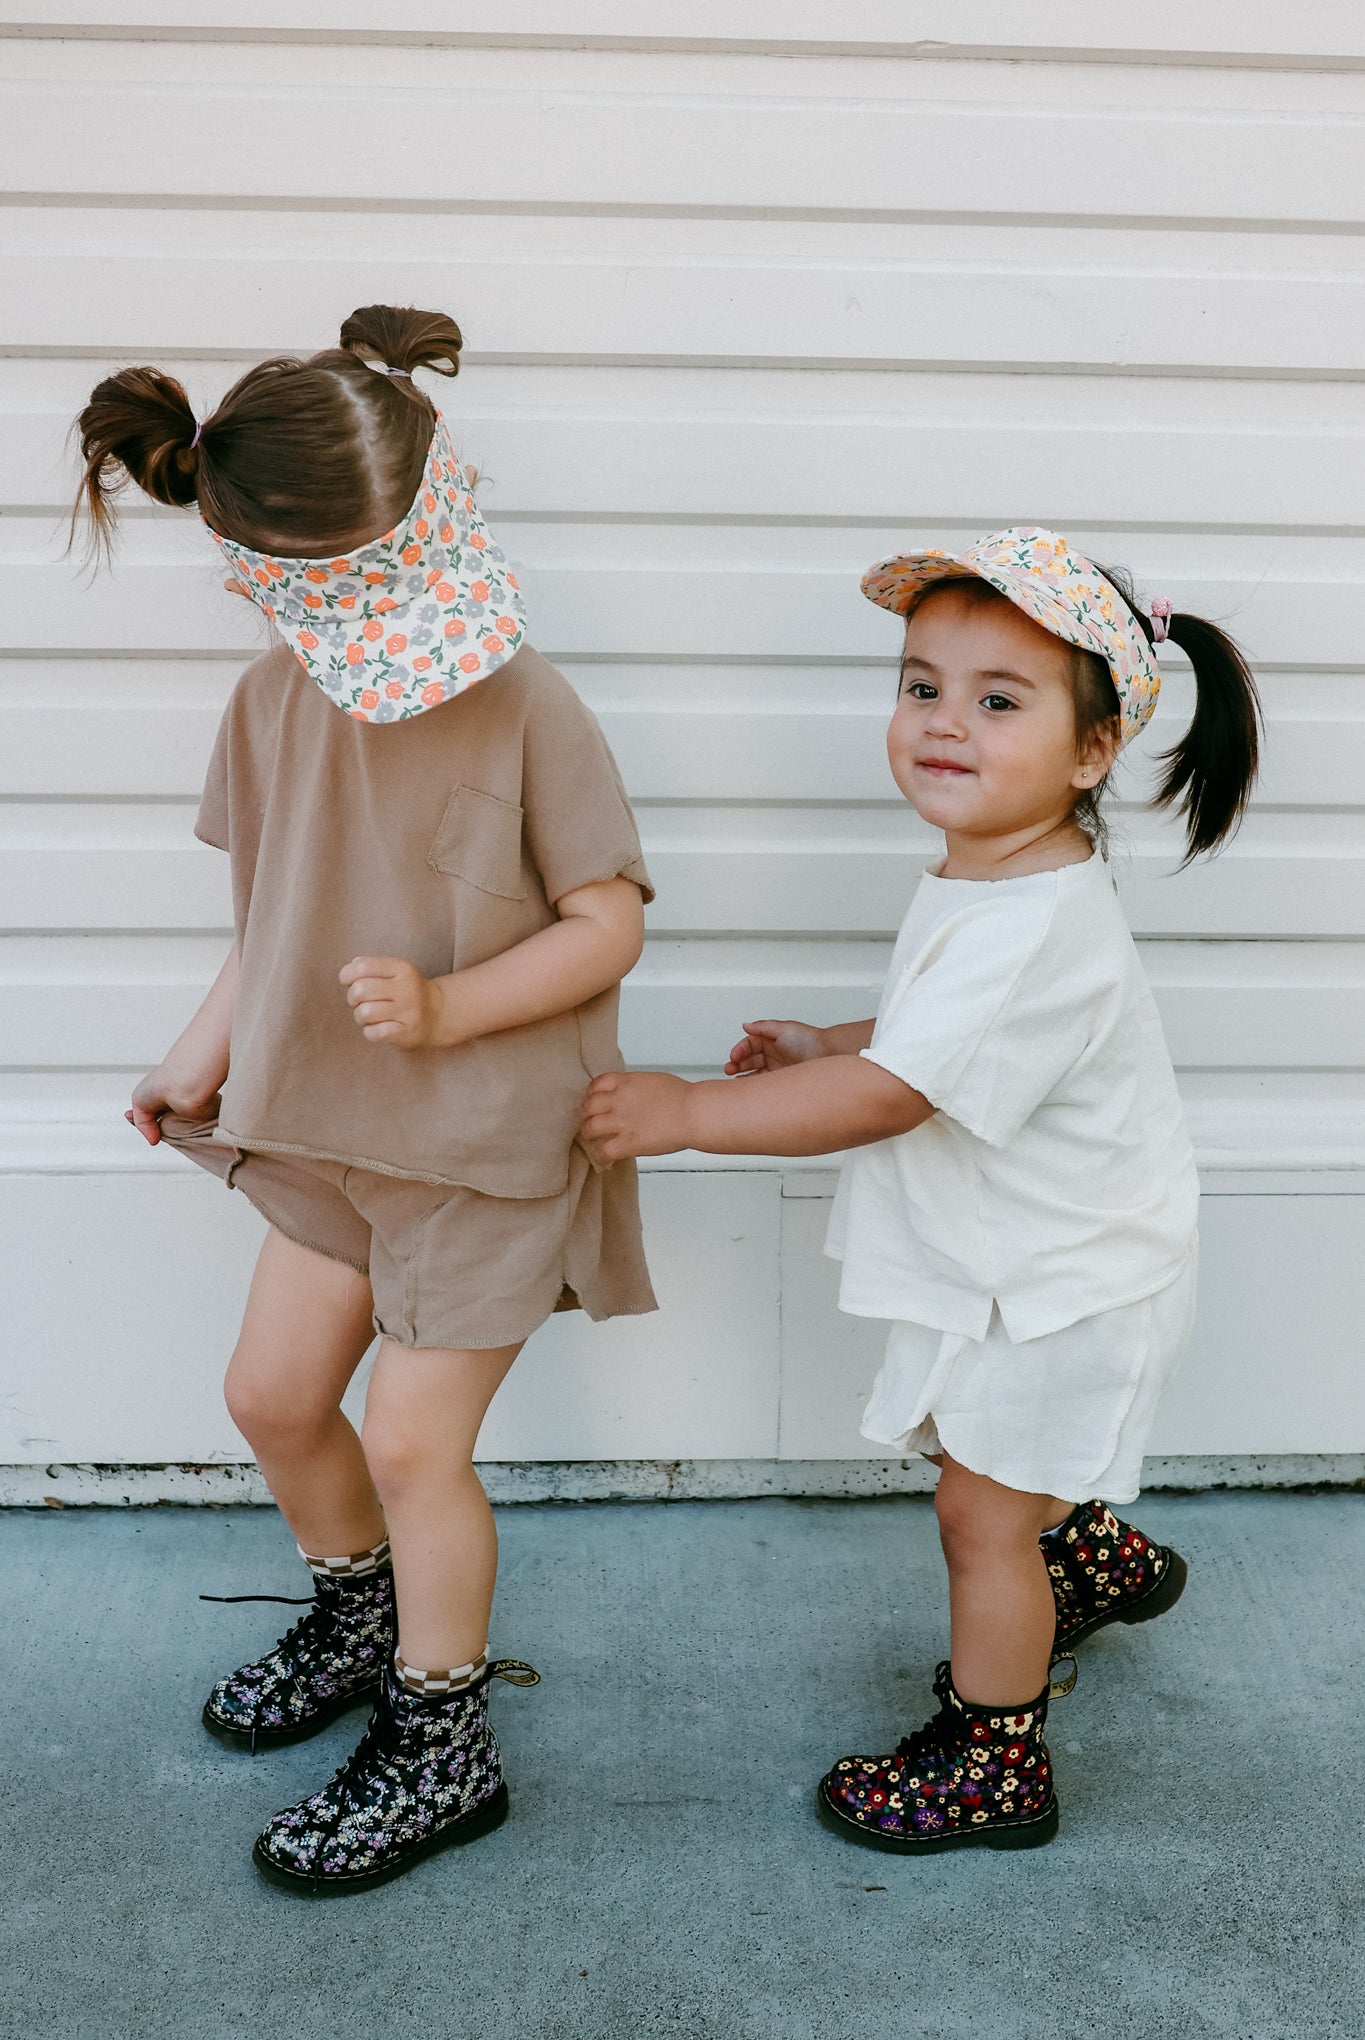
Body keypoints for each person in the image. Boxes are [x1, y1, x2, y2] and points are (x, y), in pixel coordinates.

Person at [73, 305, 657, 1893]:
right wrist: (197, 1053)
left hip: (482, 1149)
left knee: (414, 1445)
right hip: (324, 1126)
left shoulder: (527, 704)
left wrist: (456, 1003)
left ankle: (441, 1738)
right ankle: (359, 1616)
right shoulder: (273, 702)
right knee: (270, 1398)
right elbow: (270, 917)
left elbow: (608, 916)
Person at [581, 528, 1260, 1855]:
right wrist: (836, 1039)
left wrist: (691, 1117)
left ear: (1089, 750)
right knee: (978, 1456)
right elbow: (921, 1034)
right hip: (1033, 1262)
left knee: (974, 1517)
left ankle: (994, 1759)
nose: (942, 723)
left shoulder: (1034, 922)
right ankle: (1093, 1561)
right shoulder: (1000, 874)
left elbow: (898, 1093)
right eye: (919, 684)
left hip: (1067, 1287)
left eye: (996, 700)